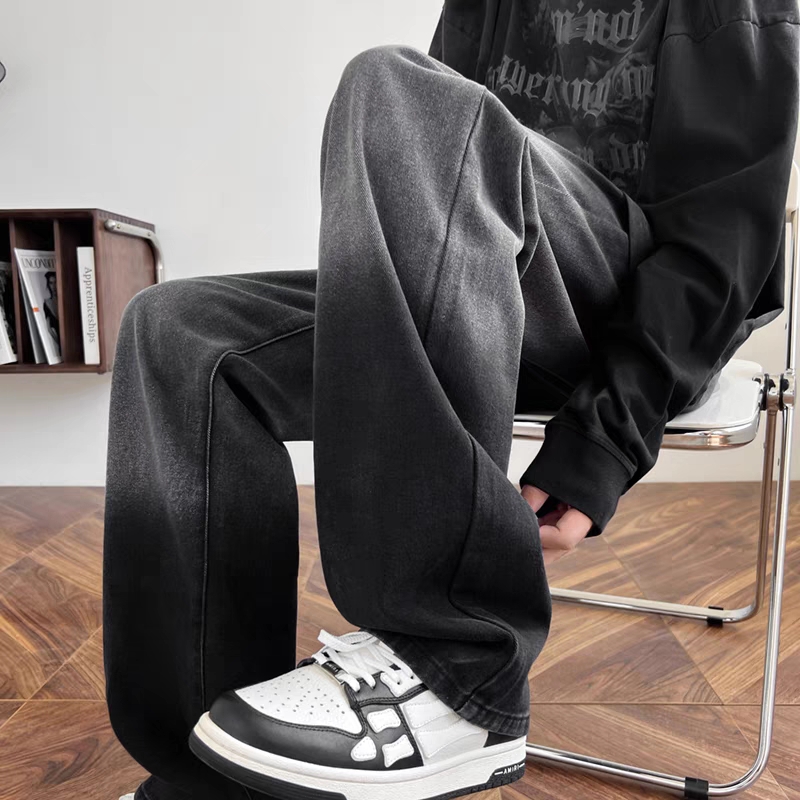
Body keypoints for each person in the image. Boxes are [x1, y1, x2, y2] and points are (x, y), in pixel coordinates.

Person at [104, 2, 799, 799]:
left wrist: (605, 438)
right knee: (180, 332)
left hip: (644, 314)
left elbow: (725, 242)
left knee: (395, 86)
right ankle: (212, 772)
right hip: (489, 299)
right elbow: (434, 198)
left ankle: (454, 667)